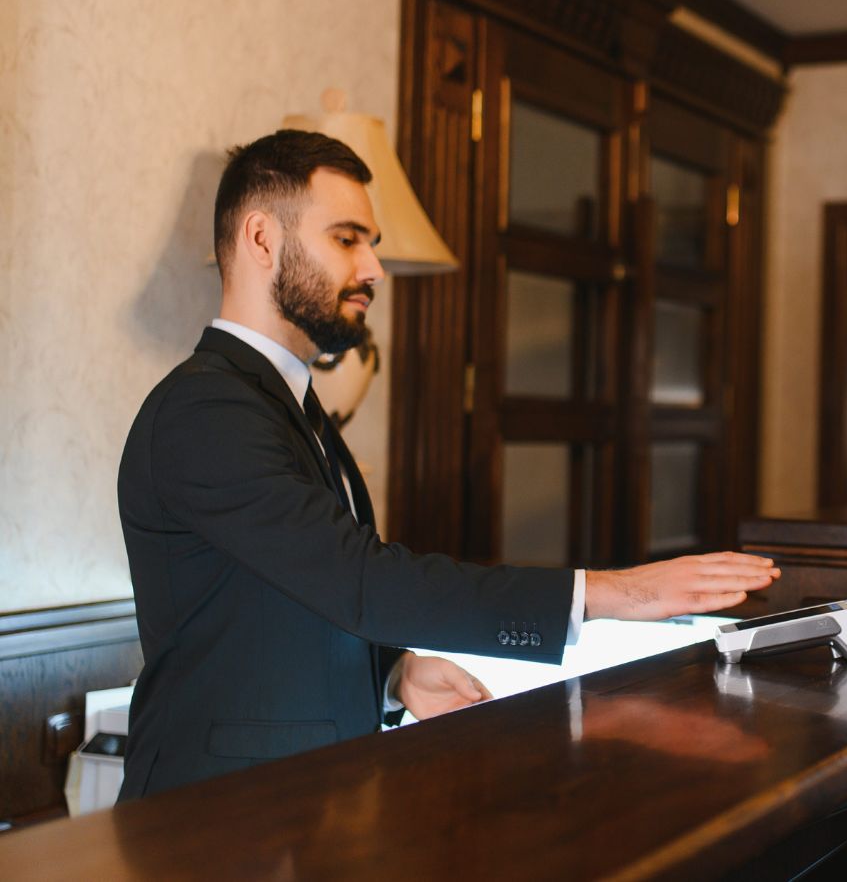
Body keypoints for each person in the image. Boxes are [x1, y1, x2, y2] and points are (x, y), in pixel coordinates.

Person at [117, 130, 779, 800]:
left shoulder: (290, 405)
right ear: (261, 239)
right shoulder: (205, 409)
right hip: (208, 813)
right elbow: (361, 581)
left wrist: (391, 674)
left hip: (298, 805)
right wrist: (615, 593)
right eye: (348, 239)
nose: (375, 269)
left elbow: (294, 594)